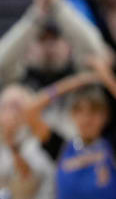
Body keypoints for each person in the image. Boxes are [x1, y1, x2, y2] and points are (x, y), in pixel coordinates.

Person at [24, 59, 116, 199]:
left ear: (106, 115)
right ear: (72, 114)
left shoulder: (111, 146)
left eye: (94, 110)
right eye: (79, 110)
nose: (87, 118)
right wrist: (77, 81)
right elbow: (30, 111)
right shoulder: (62, 147)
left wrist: (105, 77)